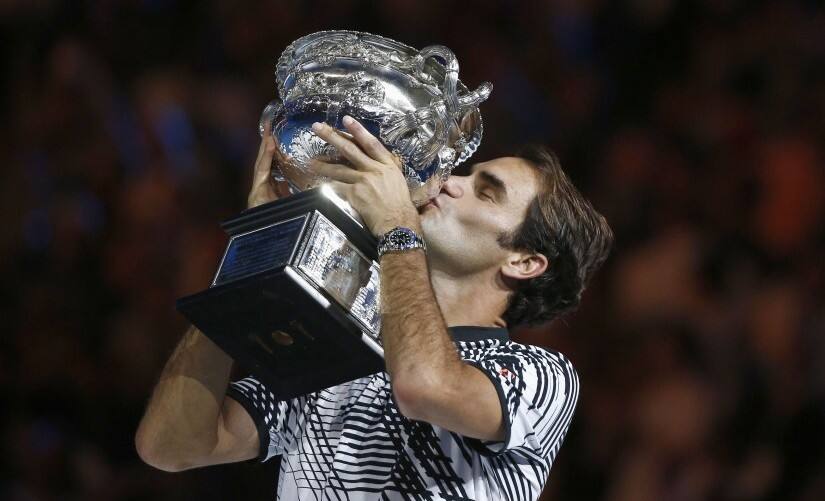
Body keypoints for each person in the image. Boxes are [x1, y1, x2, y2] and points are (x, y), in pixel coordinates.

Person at [135, 115, 613, 500]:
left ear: (524, 262)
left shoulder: (541, 375)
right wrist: (256, 254)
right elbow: (170, 446)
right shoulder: (337, 342)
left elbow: (423, 386)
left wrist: (397, 228)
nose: (450, 183)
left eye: (485, 191)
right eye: (465, 174)